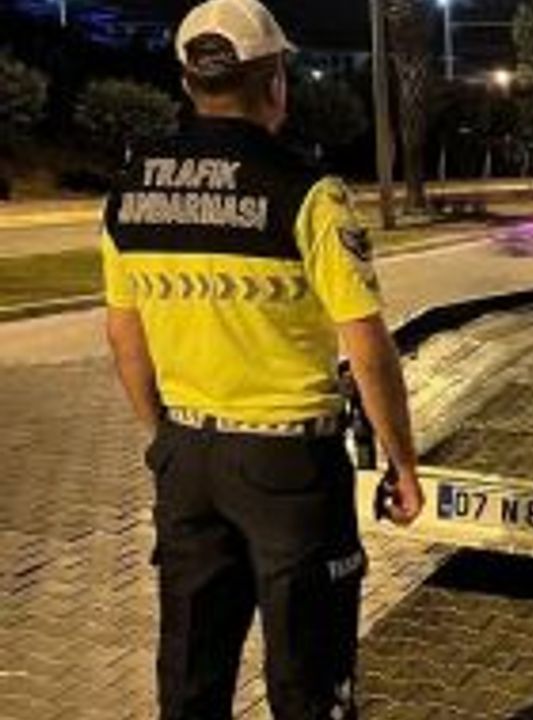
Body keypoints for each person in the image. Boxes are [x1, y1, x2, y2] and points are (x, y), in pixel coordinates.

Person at [101, 1, 424, 717]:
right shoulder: (308, 191)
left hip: (186, 456)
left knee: (191, 676)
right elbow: (366, 345)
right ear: (276, 81)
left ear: (187, 83)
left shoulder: (129, 192)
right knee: (309, 680)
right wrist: (402, 460)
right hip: (290, 472)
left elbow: (124, 338)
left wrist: (166, 439)